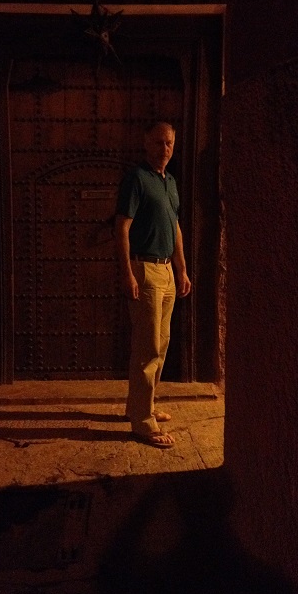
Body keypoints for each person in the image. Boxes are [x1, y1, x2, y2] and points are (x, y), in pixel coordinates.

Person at [114, 121, 192, 448]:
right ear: (146, 142)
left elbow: (175, 228)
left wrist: (182, 270)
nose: (165, 149)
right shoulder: (137, 179)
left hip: (167, 272)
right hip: (145, 269)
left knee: (161, 344)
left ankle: (142, 406)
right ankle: (143, 423)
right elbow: (122, 227)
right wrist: (127, 273)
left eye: (169, 143)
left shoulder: (169, 181)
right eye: (159, 142)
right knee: (147, 348)